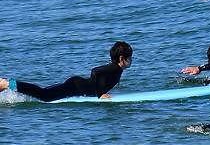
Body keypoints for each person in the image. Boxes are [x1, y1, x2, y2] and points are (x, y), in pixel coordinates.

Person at [0, 42, 132, 102]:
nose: (131, 60)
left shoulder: (116, 69)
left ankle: (8, 86)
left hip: (76, 86)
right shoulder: (115, 68)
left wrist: (101, 91)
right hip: (76, 86)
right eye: (130, 57)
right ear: (122, 58)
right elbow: (95, 72)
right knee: (44, 96)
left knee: (44, 93)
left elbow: (101, 78)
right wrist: (100, 94)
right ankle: (7, 84)